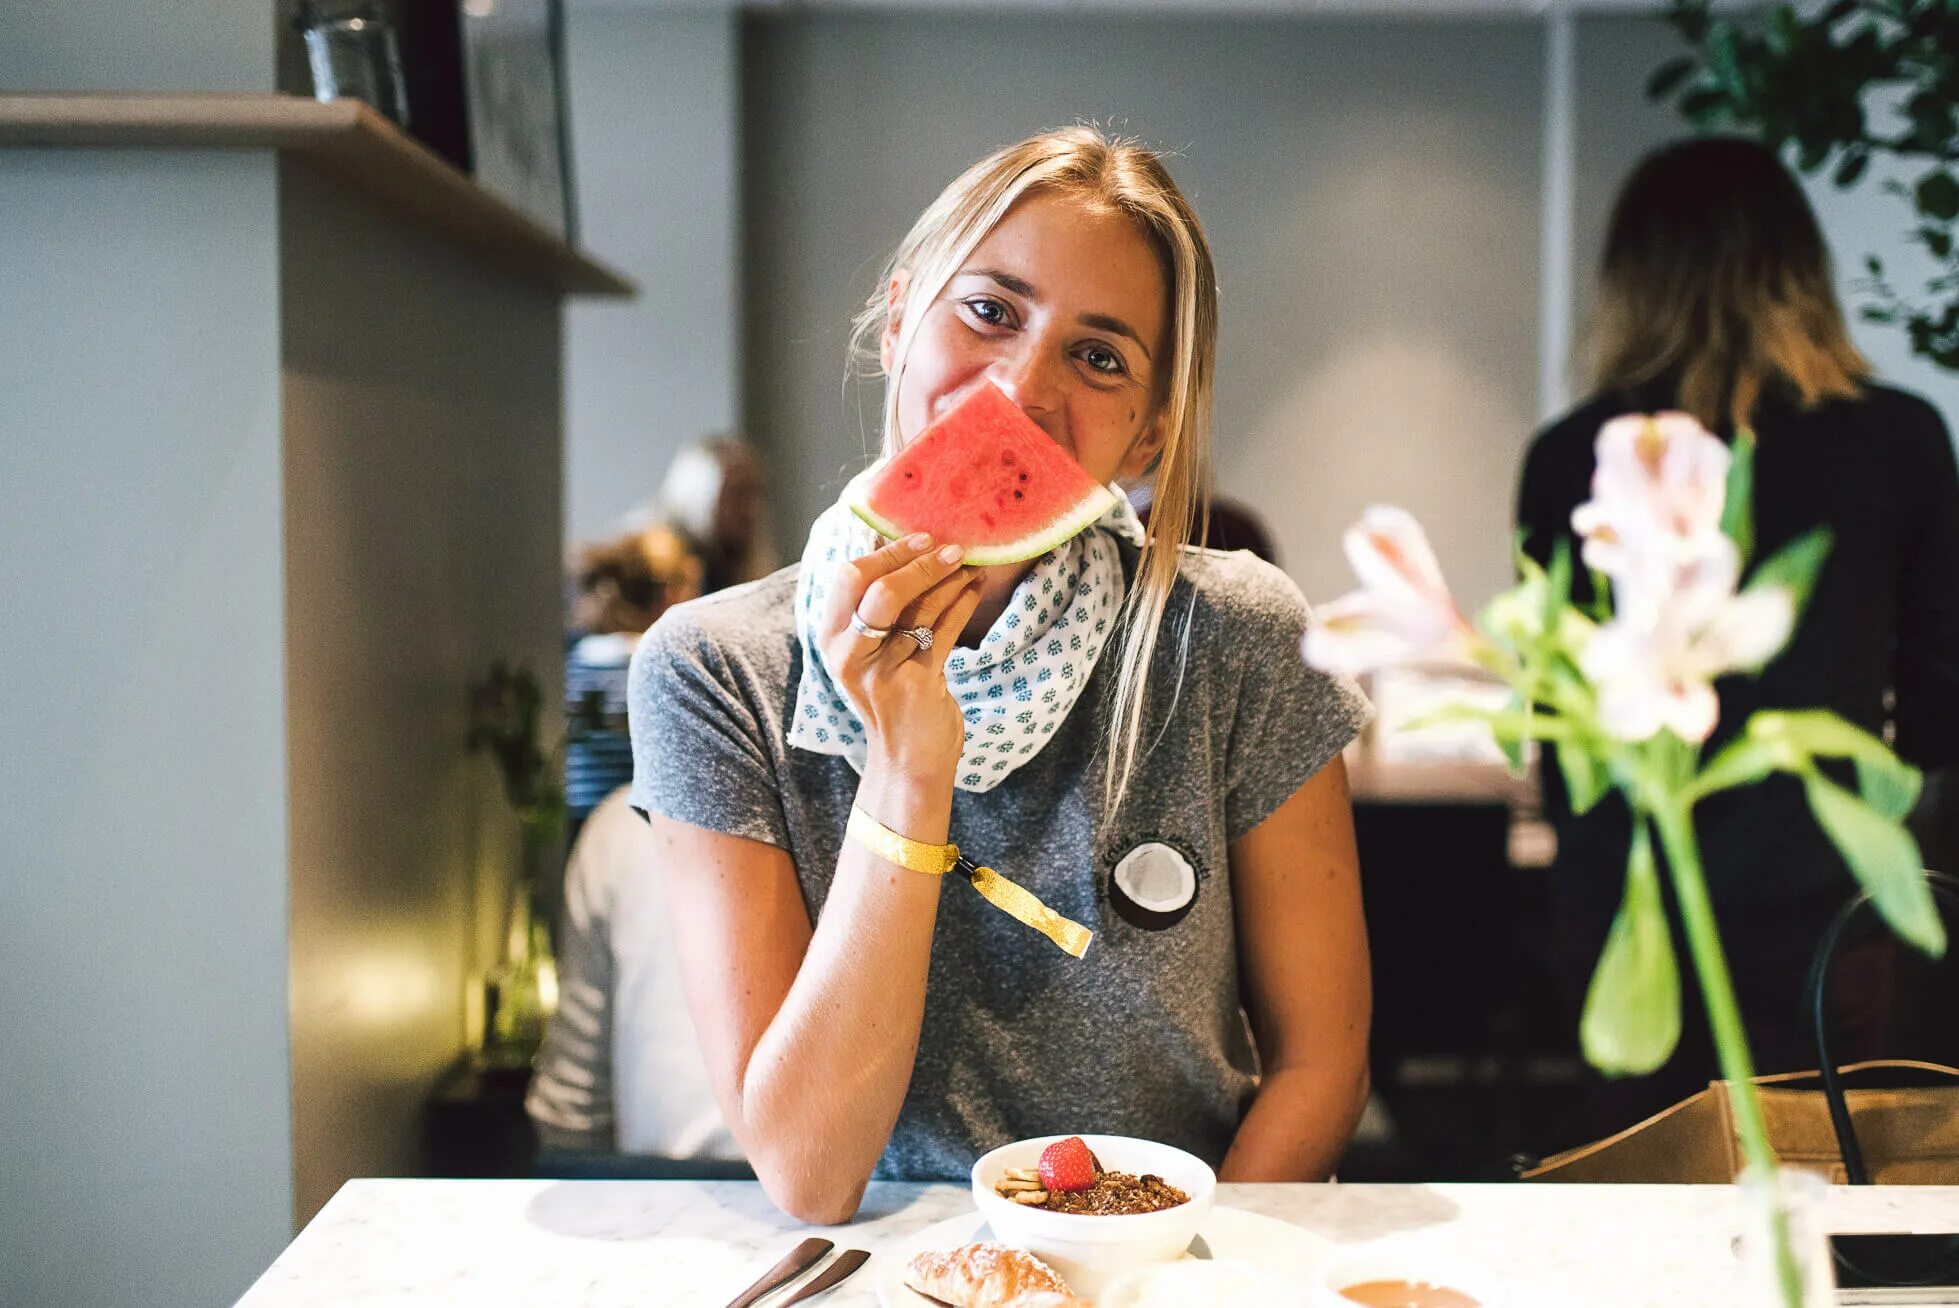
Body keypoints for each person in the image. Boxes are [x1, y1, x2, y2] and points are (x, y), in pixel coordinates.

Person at [628, 126, 1373, 1222]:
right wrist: (905, 772)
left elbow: (1324, 1068)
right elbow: (809, 1171)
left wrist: (1189, 1280)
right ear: (897, 321)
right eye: (989, 310)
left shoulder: (1233, 638)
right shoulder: (713, 672)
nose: (1023, 389)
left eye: (1100, 355)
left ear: (1147, 438)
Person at [1518, 137, 1959, 1135]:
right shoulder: (1901, 441)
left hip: (1631, 901)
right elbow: (1940, 711)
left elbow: (1562, 732)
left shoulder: (1572, 457)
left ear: (1630, 282)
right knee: (1816, 1189)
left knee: (1641, 1189)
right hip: (1825, 907)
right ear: (1803, 269)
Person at [525, 787, 744, 1162]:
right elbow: (571, 1105)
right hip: (658, 1194)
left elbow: (573, 1108)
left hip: (659, 1192)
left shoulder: (617, 826)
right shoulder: (619, 827)